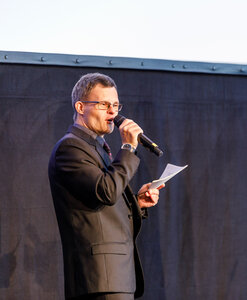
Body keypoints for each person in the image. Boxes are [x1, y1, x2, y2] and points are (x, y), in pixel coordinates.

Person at [49, 73, 163, 300]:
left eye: (116, 105)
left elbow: (102, 201)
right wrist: (129, 148)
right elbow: (107, 192)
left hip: (115, 276)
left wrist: (136, 203)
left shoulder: (96, 148)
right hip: (100, 278)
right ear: (81, 107)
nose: (113, 112)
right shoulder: (71, 148)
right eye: (104, 104)